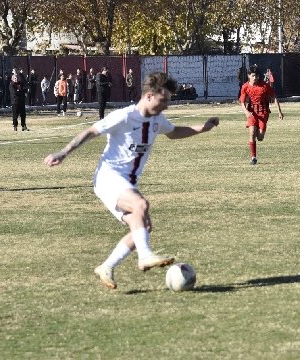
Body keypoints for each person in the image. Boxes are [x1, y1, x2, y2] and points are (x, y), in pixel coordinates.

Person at [43, 72, 220, 289]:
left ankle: (106, 267)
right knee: (141, 205)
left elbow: (173, 132)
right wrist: (63, 152)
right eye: (163, 100)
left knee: (143, 226)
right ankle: (145, 256)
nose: (166, 106)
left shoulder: (157, 120)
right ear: (148, 96)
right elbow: (91, 131)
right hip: (109, 177)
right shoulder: (125, 116)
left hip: (127, 183)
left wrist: (202, 128)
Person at [239, 65, 284, 165]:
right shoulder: (245, 86)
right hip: (252, 113)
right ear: (249, 76)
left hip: (263, 113)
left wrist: (279, 111)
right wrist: (246, 112)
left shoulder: (264, 86)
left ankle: (256, 136)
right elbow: (242, 102)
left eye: (257, 76)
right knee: (251, 133)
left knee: (260, 137)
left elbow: (274, 97)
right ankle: (253, 157)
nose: (255, 78)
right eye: (253, 76)